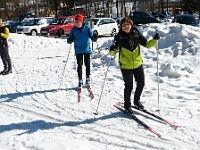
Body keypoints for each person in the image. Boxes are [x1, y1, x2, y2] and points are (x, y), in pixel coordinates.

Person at [109, 17, 160, 114]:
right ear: (121, 27)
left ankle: (136, 101)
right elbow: (112, 53)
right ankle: (127, 105)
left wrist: (154, 39)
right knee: (129, 86)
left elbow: (147, 44)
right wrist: (111, 49)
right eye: (123, 25)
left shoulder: (136, 34)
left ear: (131, 25)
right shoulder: (119, 37)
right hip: (126, 66)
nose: (126, 27)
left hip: (137, 64)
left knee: (141, 83)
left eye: (127, 25)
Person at [67, 14, 98, 88]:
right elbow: (68, 40)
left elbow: (92, 38)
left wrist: (95, 36)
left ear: (82, 21)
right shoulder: (73, 30)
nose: (77, 23)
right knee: (79, 66)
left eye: (79, 22)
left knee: (87, 65)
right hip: (78, 50)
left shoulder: (87, 28)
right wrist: (71, 39)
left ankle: (87, 79)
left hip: (86, 49)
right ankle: (80, 80)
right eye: (76, 22)